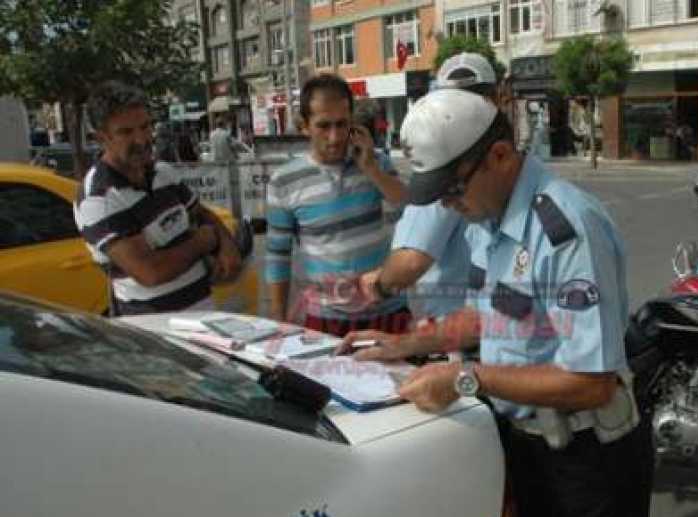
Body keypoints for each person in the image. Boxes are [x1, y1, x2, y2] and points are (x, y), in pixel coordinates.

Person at [339, 89, 654, 517]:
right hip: (524, 443)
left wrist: (466, 378)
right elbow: (497, 314)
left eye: (453, 189)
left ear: (501, 157)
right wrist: (409, 343)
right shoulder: (489, 218)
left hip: (586, 460)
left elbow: (592, 382)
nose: (448, 205)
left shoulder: (566, 228)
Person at [75, 81, 242, 315]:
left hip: (204, 317)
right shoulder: (99, 198)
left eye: (145, 127)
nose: (142, 139)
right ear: (101, 138)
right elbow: (151, 272)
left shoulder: (163, 172)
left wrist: (226, 244)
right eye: (126, 132)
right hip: (156, 335)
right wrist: (204, 241)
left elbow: (203, 214)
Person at [265, 73, 409, 336]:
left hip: (388, 311)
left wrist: (371, 169)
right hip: (325, 319)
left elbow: (410, 210)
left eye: (342, 124)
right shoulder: (283, 181)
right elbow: (278, 255)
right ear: (304, 126)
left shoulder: (375, 162)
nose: (335, 137)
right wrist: (278, 319)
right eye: (323, 125)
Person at [361, 52, 499, 322]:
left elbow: (410, 262)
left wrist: (378, 284)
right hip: (489, 322)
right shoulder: (509, 164)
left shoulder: (445, 161)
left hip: (453, 325)